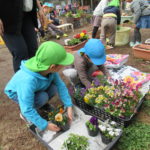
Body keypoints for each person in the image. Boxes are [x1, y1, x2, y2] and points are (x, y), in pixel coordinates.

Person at [4, 41, 74, 132]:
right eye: (63, 64)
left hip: (36, 87)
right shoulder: (27, 80)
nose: (64, 65)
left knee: (53, 88)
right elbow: (27, 109)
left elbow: (60, 86)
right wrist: (45, 125)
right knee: (42, 97)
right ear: (53, 67)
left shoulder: (47, 68)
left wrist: (68, 105)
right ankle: (23, 115)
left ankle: (42, 105)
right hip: (17, 93)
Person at [0, 0, 45, 72]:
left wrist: (40, 8)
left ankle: (34, 79)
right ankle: (21, 82)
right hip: (6, 16)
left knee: (33, 50)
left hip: (27, 15)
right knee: (20, 53)